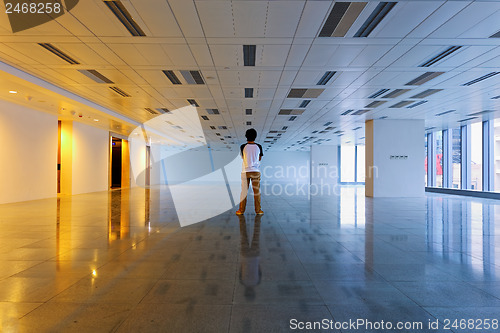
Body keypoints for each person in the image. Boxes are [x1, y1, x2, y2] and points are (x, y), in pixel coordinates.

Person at [236, 128, 264, 215]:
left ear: (246, 136)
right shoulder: (259, 146)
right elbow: (259, 158)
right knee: (256, 192)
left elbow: (243, 157)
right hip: (255, 171)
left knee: (244, 192)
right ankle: (258, 210)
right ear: (255, 137)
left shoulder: (242, 146)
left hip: (245, 172)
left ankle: (241, 211)